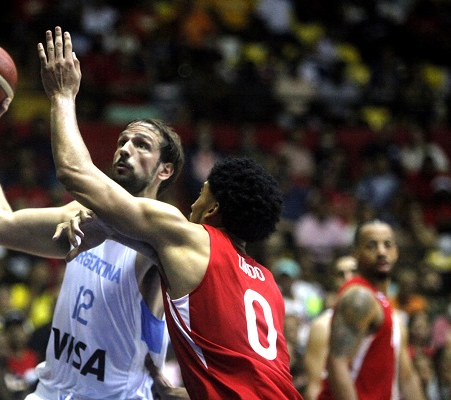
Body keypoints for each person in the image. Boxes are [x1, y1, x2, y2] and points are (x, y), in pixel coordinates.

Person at [37, 26, 302, 399]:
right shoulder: (267, 284)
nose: (192, 201)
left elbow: (75, 174)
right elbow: (248, 375)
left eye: (201, 192)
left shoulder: (193, 239)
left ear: (213, 207)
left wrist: (62, 95)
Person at [0, 46, 186, 400]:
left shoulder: (164, 233)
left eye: (141, 145)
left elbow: (75, 173)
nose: (124, 149)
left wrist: (62, 95)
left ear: (164, 170)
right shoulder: (83, 214)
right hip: (49, 392)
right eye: (122, 141)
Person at [318, 220, 425, 400]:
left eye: (387, 245)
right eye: (371, 245)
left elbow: (406, 376)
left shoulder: (387, 306)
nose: (382, 251)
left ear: (396, 252)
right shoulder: (359, 297)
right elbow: (337, 364)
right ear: (356, 254)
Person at [303, 255, 357, 400]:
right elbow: (314, 388)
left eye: (354, 271)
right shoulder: (322, 327)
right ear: (333, 281)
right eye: (341, 274)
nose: (348, 278)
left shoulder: (389, 320)